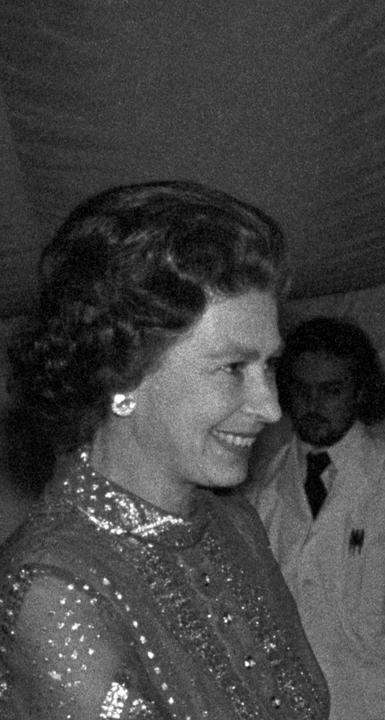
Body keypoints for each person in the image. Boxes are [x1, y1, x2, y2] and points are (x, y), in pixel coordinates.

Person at [0, 180, 328, 718]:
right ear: (122, 373)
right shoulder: (56, 594)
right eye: (233, 368)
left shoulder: (231, 524)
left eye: (268, 366)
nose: (270, 407)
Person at [247, 316, 385, 720]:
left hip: (378, 707)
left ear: (360, 390)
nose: (314, 405)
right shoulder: (262, 490)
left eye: (331, 391)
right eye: (302, 389)